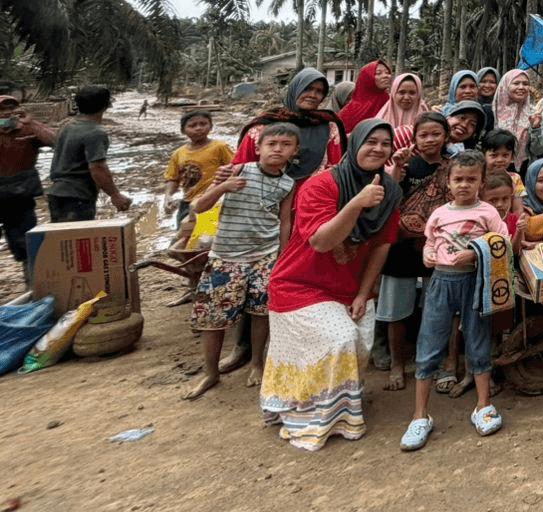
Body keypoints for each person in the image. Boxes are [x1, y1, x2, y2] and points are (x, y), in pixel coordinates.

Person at [259, 119, 402, 451]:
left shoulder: (391, 191)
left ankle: (336, 408)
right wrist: (357, 204)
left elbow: (381, 245)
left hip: (347, 287)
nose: (378, 149)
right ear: (354, 144)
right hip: (298, 284)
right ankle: (307, 413)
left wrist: (364, 293)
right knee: (340, 338)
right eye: (371, 141)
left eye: (385, 143)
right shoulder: (321, 185)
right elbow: (322, 242)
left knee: (362, 336)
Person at [182, 122, 299, 400]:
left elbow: (284, 222)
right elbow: (199, 207)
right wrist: (223, 186)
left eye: (285, 145)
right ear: (258, 148)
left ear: (294, 152)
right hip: (226, 257)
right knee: (215, 319)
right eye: (272, 144)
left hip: (265, 256)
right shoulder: (236, 170)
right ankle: (210, 373)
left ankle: (257, 362)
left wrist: (281, 258)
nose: (278, 149)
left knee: (261, 313)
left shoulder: (287, 183)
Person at [401, 150, 507, 451]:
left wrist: (475, 253)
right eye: (458, 179)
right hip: (441, 283)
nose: (463, 185)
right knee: (430, 342)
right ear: (448, 181)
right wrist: (427, 254)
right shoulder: (439, 214)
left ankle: (483, 406)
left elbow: (502, 242)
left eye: (471, 179)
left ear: (481, 182)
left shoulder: (488, 213)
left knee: (478, 340)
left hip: (474, 282)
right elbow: (431, 242)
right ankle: (420, 415)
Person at [373, 110, 450, 388]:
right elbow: (386, 201)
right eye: (423, 135)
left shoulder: (454, 168)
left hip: (439, 247)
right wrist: (394, 171)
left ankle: (433, 360)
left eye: (436, 134)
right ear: (414, 138)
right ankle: (397, 363)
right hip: (402, 246)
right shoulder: (404, 167)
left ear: (446, 137)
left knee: (437, 308)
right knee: (396, 310)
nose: (430, 140)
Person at [235, 68, 345, 187]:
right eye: (307, 89)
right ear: (295, 89)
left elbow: (335, 170)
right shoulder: (265, 125)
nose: (313, 95)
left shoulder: (329, 127)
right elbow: (242, 166)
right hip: (265, 194)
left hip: (311, 196)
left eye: (319, 91)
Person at [46, 85, 132, 221]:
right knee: (77, 239)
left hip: (57, 194)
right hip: (77, 197)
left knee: (62, 239)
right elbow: (97, 167)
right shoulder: (95, 132)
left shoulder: (68, 126)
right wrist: (115, 195)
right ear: (106, 106)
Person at [0, 93, 54, 265]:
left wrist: (30, 122)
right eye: (2, 110)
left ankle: (33, 285)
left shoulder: (27, 128)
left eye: (12, 108)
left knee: (26, 246)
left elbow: (56, 140)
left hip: (20, 196)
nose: (7, 113)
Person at [162, 109, 234, 228]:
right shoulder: (179, 153)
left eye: (203, 124)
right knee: (183, 235)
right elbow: (172, 179)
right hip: (187, 203)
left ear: (211, 127)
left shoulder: (220, 147)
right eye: (192, 125)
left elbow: (235, 168)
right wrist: (168, 196)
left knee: (207, 238)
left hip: (214, 202)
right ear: (183, 130)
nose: (198, 128)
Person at [490, 69, 538, 168]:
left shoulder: (534, 113)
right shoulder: (493, 110)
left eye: (525, 84)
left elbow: (538, 149)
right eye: (516, 83)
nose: (521, 87)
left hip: (524, 167)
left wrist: (537, 128)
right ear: (506, 85)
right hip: (494, 167)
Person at [337, 60, 393, 132]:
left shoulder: (392, 104)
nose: (386, 76)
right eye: (378, 73)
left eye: (388, 73)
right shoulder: (349, 112)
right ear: (366, 78)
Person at [375, 71, 429, 139]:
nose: (406, 97)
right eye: (401, 92)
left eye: (412, 93)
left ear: (419, 95)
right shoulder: (380, 121)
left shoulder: (427, 119)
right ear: (393, 93)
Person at [482, 130, 525, 199]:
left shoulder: (516, 178)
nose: (500, 160)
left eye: (505, 155)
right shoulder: (480, 178)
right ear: (484, 155)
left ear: (512, 156)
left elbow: (520, 203)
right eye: (494, 155)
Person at [475, 67, 500, 132]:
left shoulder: (503, 107)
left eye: (492, 82)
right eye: (483, 81)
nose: (487, 85)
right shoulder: (469, 106)